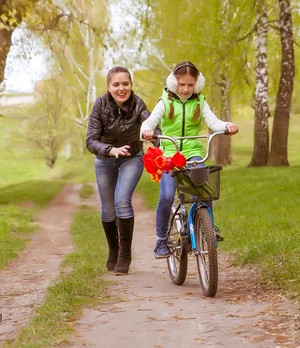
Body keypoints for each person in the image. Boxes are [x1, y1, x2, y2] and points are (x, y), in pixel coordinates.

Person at [141, 61, 239, 259]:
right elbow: (150, 121)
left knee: (204, 188)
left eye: (190, 85)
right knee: (167, 196)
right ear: (173, 83)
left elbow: (213, 122)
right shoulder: (165, 102)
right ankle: (161, 239)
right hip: (169, 154)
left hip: (193, 153)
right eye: (181, 84)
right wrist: (146, 130)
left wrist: (226, 125)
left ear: (197, 85)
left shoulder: (200, 103)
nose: (185, 89)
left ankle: (208, 226)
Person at [86, 66, 158, 275]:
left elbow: (151, 124)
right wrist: (110, 150)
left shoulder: (138, 104)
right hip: (105, 159)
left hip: (132, 157)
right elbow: (90, 141)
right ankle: (114, 249)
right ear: (108, 87)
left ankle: (125, 254)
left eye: (125, 84)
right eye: (116, 84)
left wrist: (154, 137)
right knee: (108, 209)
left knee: (122, 201)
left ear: (131, 85)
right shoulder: (100, 105)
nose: (121, 88)